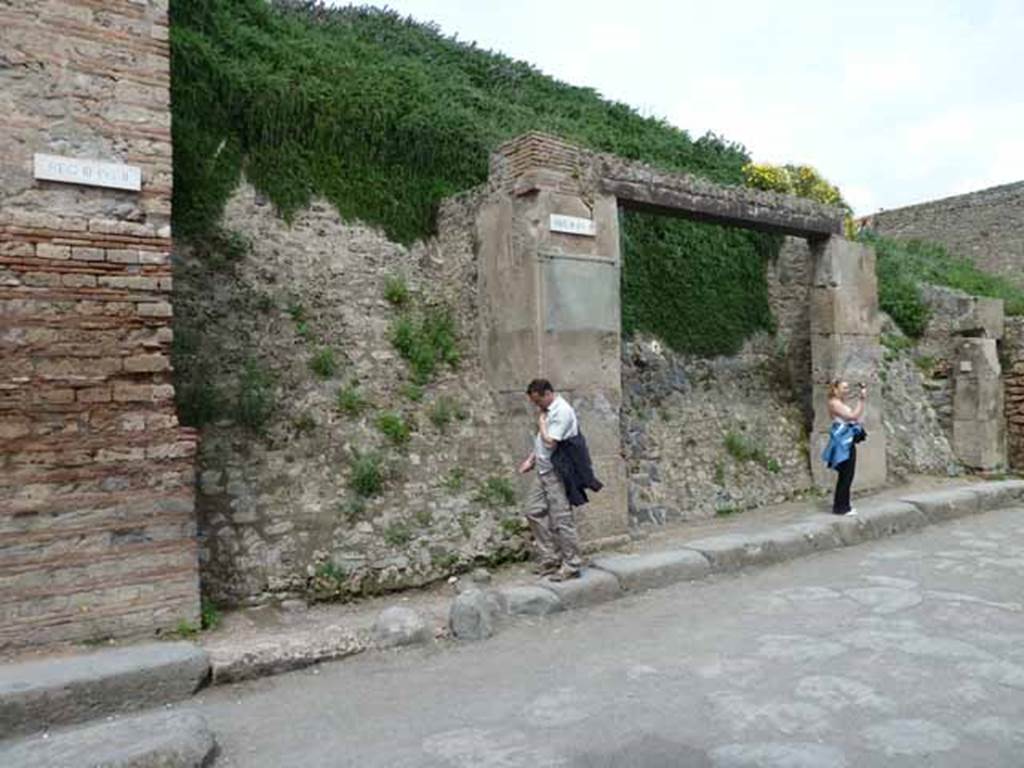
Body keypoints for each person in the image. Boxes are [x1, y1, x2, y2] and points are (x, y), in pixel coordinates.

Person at [517, 379, 583, 581]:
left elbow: (550, 441)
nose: (536, 405)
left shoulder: (562, 411)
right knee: (532, 510)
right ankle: (550, 557)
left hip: (557, 473)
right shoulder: (547, 411)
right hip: (543, 471)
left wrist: (542, 424)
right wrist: (531, 460)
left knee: (562, 519)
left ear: (547, 394)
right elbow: (541, 443)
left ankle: (572, 564)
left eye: (538, 401)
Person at [822, 379, 867, 516]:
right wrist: (861, 400)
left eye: (847, 388)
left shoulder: (839, 402)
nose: (846, 390)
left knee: (847, 474)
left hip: (846, 439)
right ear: (835, 389)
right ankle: (841, 507)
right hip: (842, 442)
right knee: (846, 474)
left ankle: (843, 505)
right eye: (844, 388)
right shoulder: (834, 403)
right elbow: (852, 416)